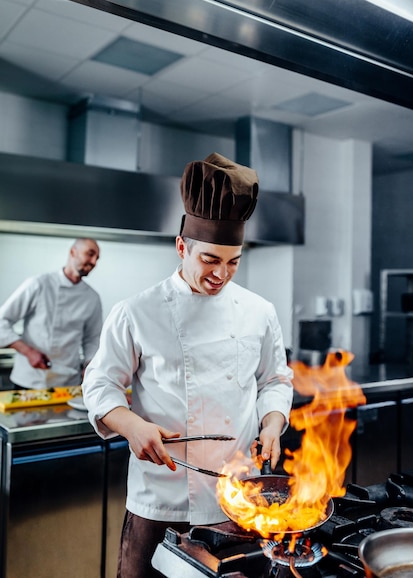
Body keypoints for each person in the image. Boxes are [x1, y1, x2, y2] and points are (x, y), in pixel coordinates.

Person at [82, 153, 294, 578]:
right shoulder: (136, 311)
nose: (222, 274)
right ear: (182, 247)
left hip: (235, 497)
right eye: (210, 261)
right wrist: (132, 427)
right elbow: (100, 385)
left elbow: (274, 380)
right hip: (158, 500)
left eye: (233, 262)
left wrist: (272, 424)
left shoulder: (259, 311)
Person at [0, 238, 102, 389]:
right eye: (90, 254)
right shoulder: (39, 284)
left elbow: (92, 339)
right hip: (29, 380)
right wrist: (27, 351)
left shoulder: (92, 298)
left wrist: (89, 365)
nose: (94, 262)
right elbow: (2, 321)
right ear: (73, 252)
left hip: (68, 383)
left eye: (97, 258)